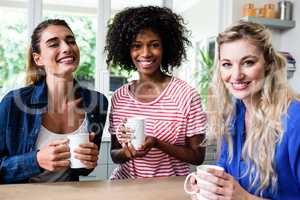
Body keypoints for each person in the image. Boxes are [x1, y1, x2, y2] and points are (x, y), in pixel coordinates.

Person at [190, 21, 300, 199]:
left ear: (269, 64)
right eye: (227, 64)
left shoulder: (295, 121)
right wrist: (211, 183)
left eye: (248, 62)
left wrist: (245, 198)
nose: (236, 75)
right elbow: (224, 169)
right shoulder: (235, 114)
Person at [0, 19, 108, 184]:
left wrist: (88, 162)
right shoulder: (14, 102)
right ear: (38, 59)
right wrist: (35, 161)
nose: (66, 48)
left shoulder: (97, 102)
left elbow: (84, 169)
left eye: (71, 41)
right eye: (53, 44)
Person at [105, 6, 207, 180]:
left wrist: (157, 143)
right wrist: (127, 153)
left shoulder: (186, 96)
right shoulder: (119, 97)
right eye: (137, 46)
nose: (145, 53)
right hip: (124, 188)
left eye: (154, 45)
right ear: (127, 51)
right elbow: (114, 155)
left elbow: (198, 157)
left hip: (169, 191)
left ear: (165, 47)